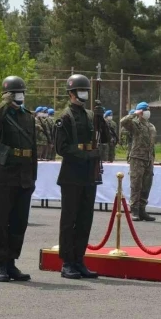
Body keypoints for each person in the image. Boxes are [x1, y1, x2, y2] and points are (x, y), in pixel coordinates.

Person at [55, 74, 106, 279]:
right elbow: (62, 148)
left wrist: (101, 120)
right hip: (72, 174)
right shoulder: (64, 117)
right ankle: (67, 261)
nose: (84, 94)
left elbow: (108, 138)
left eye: (86, 90)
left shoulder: (90, 115)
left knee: (85, 219)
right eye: (80, 90)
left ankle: (79, 259)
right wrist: (86, 155)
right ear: (71, 93)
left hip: (88, 174)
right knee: (70, 219)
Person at [0, 76, 38, 282]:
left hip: (24, 175)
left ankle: (12, 262)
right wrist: (5, 103)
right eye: (16, 93)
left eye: (22, 93)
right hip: (4, 174)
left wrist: (33, 177)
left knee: (19, 222)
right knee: (1, 221)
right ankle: (0, 264)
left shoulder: (28, 117)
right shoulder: (0, 115)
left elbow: (32, 148)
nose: (20, 97)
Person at [120, 102, 157, 222]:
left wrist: (152, 158)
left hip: (148, 159)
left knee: (147, 185)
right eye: (145, 110)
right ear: (140, 112)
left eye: (149, 109)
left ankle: (142, 209)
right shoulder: (135, 124)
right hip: (137, 158)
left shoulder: (151, 126)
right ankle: (134, 210)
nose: (148, 112)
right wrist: (134, 114)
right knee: (136, 185)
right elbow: (123, 122)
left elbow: (152, 145)